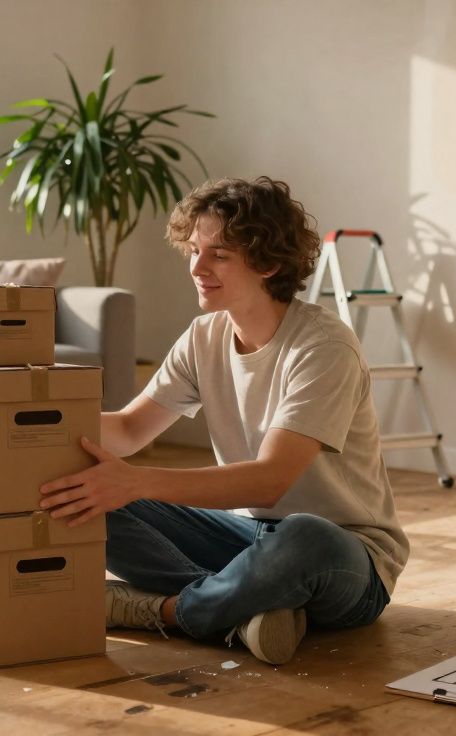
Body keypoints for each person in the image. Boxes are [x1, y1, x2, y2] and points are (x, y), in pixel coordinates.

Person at [38, 176, 408, 665]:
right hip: (243, 540)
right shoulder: (203, 336)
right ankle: (242, 611)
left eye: (219, 255)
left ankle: (167, 611)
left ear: (269, 262)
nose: (197, 267)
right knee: (78, 494)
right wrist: (26, 422)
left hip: (346, 558)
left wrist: (136, 481)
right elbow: (129, 429)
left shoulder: (324, 347)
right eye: (193, 249)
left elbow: (270, 480)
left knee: (303, 535)